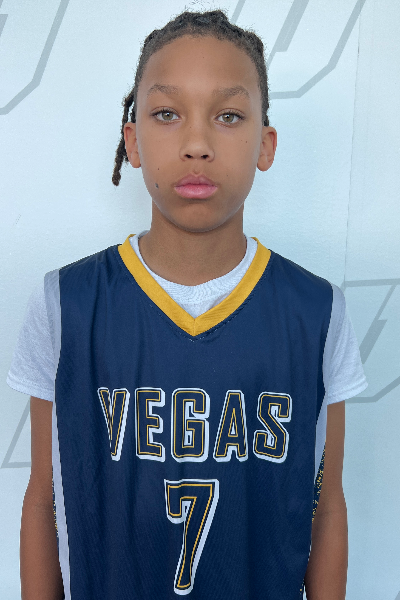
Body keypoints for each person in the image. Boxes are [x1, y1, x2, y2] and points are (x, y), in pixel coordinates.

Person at [7, 9, 367, 600]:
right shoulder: (66, 304)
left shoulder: (316, 311)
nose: (197, 144)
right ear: (133, 141)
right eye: (167, 114)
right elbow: (43, 499)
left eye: (228, 116)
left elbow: (325, 505)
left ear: (265, 145)